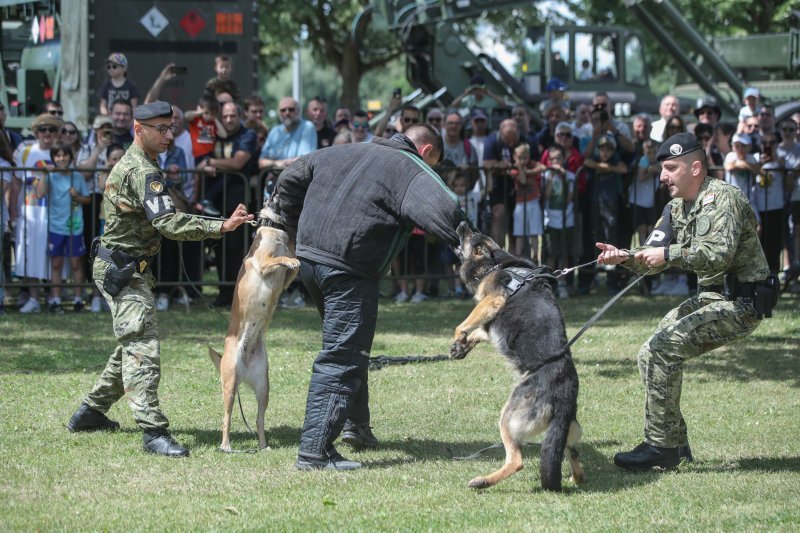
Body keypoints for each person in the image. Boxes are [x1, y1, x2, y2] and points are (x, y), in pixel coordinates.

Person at [266, 124, 466, 470]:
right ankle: (315, 452)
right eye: (432, 164)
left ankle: (356, 427)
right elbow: (448, 211)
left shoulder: (337, 151)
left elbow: (288, 177)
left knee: (348, 346)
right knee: (342, 355)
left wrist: (293, 223)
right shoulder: (409, 166)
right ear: (427, 152)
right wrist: (480, 252)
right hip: (348, 268)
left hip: (311, 262)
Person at [66, 101, 254, 457]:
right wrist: (221, 225)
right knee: (142, 348)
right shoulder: (142, 171)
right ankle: (153, 432)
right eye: (161, 129)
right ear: (139, 130)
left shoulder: (146, 163)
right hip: (122, 269)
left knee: (131, 345)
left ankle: (89, 412)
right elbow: (167, 223)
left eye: (171, 128)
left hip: (125, 267)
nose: (169, 135)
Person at [596, 132, 773, 470]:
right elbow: (652, 256)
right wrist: (624, 257)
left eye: (671, 168)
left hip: (742, 302)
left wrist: (668, 253)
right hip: (712, 297)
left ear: (695, 168)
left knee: (663, 349)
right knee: (650, 353)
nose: (662, 176)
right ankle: (674, 446)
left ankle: (661, 446)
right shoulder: (675, 207)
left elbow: (717, 255)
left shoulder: (723, 199)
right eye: (663, 168)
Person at [11, 113, 63, 313]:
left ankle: (52, 297)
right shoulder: (25, 152)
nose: (47, 133)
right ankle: (33, 298)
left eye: (51, 129)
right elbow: (16, 182)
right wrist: (13, 210)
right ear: (36, 132)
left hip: (55, 211)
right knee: (30, 253)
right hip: (29, 210)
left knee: (52, 256)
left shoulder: (61, 153)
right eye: (43, 129)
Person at [36, 142, 90, 312]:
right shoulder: (51, 176)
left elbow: (87, 199)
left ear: (70, 157)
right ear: (53, 158)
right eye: (58, 155)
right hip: (56, 227)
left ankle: (78, 299)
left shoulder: (78, 177)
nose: (61, 158)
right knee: (57, 264)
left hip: (75, 226)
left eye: (64, 155)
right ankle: (55, 300)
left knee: (75, 264)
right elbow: (39, 193)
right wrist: (45, 175)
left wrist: (77, 197)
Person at [510, 143, 544, 262]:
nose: (523, 160)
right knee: (519, 232)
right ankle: (518, 256)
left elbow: (542, 167)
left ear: (529, 156)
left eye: (525, 157)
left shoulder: (531, 164)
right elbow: (523, 180)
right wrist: (521, 168)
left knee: (534, 232)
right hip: (520, 204)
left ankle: (535, 256)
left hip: (533, 202)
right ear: (515, 157)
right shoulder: (514, 169)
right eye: (519, 158)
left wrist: (528, 171)